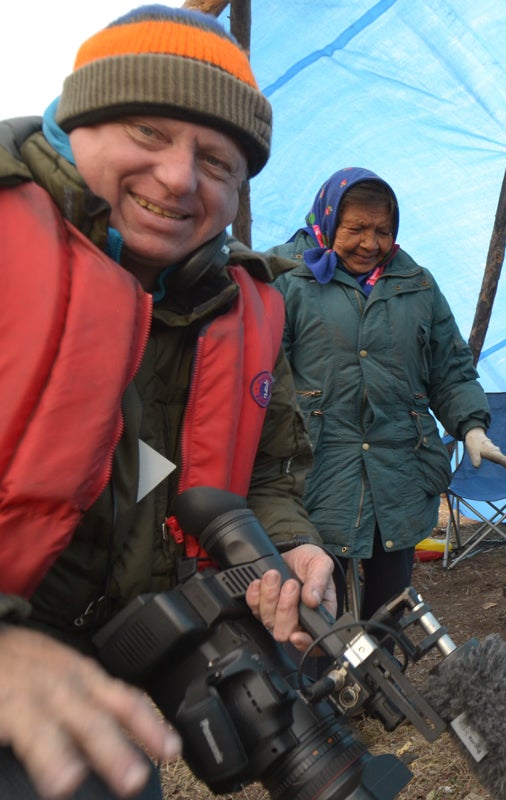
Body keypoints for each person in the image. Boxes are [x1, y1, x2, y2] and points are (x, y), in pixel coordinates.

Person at [0, 6, 339, 799]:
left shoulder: (244, 308)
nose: (181, 177)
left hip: (113, 666)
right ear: (76, 121)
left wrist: (286, 542)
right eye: (148, 134)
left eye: (218, 160)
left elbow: (269, 474)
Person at [268, 167, 506, 619]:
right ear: (328, 220)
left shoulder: (416, 284)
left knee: (391, 609)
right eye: (356, 229)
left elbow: (451, 370)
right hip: (321, 472)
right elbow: (263, 379)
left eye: (383, 231)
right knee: (322, 609)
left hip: (399, 471)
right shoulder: (287, 277)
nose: (371, 243)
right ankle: (326, 688)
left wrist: (471, 426)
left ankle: (385, 680)